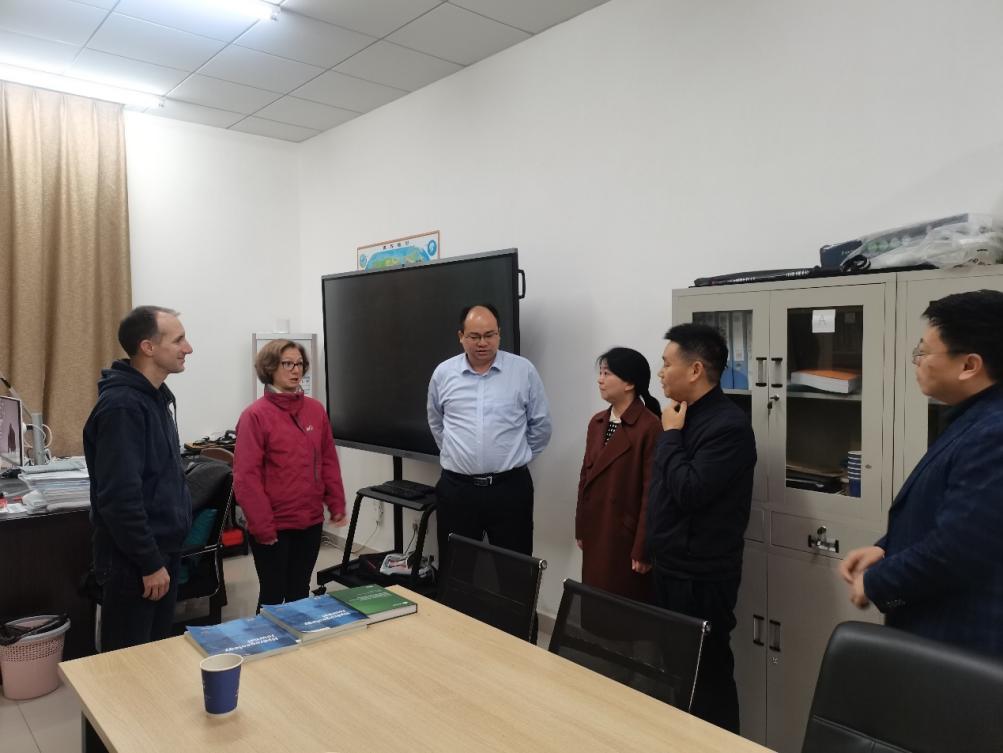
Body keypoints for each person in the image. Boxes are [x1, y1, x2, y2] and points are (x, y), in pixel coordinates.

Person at [840, 289, 1003, 657]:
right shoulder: (974, 417)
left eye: (924, 352)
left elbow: (959, 550)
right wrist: (886, 549)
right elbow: (956, 515)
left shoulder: (994, 432)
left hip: (962, 644)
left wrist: (877, 583)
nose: (917, 362)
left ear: (969, 365)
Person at [646, 322, 756, 732]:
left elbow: (690, 491)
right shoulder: (682, 415)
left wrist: (670, 437)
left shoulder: (728, 426)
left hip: (701, 576)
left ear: (695, 370)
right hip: (671, 565)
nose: (661, 372)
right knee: (677, 671)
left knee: (707, 677)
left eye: (666, 363)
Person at [83, 306, 194, 651]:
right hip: (135, 563)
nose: (188, 348)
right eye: (178, 340)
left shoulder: (155, 398)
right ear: (148, 347)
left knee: (154, 654)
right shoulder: (123, 406)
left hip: (160, 553)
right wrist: (149, 562)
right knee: (128, 663)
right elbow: (120, 498)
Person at [427, 303, 552, 573]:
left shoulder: (523, 371)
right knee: (456, 571)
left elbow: (541, 425)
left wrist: (515, 457)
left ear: (499, 334)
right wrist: (459, 456)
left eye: (489, 335)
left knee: (515, 572)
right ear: (461, 336)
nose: (482, 343)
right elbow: (437, 422)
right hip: (457, 490)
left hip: (510, 489)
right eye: (474, 336)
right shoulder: (443, 374)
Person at [234, 340, 347, 610]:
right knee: (273, 595)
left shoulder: (315, 410)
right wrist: (262, 526)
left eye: (299, 364)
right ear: (270, 367)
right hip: (273, 525)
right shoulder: (254, 416)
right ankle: (268, 638)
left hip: (310, 521)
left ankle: (299, 638)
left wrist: (336, 503)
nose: (296, 370)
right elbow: (246, 477)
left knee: (299, 591)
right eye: (287, 364)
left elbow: (328, 460)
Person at [576, 347, 661, 602]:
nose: (600, 380)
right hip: (596, 528)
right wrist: (581, 527)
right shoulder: (597, 422)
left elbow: (651, 493)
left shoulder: (650, 426)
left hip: (625, 536)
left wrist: (643, 547)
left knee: (622, 609)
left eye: (607, 373)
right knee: (595, 604)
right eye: (600, 373)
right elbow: (585, 479)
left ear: (629, 383)